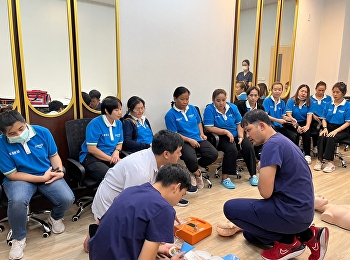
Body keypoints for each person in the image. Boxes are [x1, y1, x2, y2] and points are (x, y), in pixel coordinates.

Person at [224, 109, 329, 260]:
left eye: (248, 130)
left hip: (292, 213)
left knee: (230, 208)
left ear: (261, 126)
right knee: (250, 235)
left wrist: (260, 171)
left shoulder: (271, 145)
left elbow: (265, 193)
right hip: (303, 212)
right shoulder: (283, 140)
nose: (247, 136)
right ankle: (309, 235)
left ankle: (288, 243)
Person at [83, 129, 188, 253]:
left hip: (121, 201)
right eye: (178, 152)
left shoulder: (156, 158)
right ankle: (96, 236)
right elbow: (132, 206)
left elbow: (156, 191)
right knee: (131, 239)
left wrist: (166, 210)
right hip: (111, 205)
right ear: (166, 154)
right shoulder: (141, 170)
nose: (180, 155)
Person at [0, 110, 75, 260]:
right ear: (4, 134)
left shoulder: (43, 132)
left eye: (21, 129)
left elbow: (53, 156)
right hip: (19, 179)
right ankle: (19, 238)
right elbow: (12, 174)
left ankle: (55, 218)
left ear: (25, 122)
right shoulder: (1, 143)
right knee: (17, 201)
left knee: (67, 198)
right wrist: (41, 178)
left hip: (46, 173)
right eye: (12, 133)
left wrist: (59, 171)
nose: (19, 134)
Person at [89, 163, 190, 260]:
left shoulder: (131, 190)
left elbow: (128, 234)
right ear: (176, 187)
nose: (180, 199)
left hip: (96, 254)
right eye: (183, 194)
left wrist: (158, 249)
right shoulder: (164, 209)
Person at [165, 86, 218, 190]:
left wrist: (201, 133)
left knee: (213, 154)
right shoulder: (170, 115)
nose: (185, 101)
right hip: (183, 141)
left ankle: (192, 171)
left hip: (197, 138)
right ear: (175, 98)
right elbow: (174, 134)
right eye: (182, 99)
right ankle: (198, 174)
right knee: (190, 158)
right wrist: (189, 140)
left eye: (187, 99)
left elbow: (198, 122)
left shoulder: (192, 108)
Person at [204, 88, 258, 189]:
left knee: (248, 146)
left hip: (236, 133)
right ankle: (225, 178)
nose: (221, 103)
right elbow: (209, 127)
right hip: (220, 136)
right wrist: (225, 132)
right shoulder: (210, 109)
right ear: (213, 100)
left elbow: (239, 123)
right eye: (218, 100)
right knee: (232, 149)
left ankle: (253, 175)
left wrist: (241, 136)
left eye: (223, 100)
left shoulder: (232, 107)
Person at [79, 96, 123, 183]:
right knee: (112, 178)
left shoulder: (118, 122)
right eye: (116, 110)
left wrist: (117, 151)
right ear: (106, 111)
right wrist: (112, 159)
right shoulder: (95, 123)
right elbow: (92, 149)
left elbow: (120, 142)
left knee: (127, 173)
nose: (120, 113)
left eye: (120, 109)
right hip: (92, 157)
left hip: (110, 156)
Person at [314, 82, 350, 173]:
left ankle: (331, 163)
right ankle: (320, 160)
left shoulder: (348, 106)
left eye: (337, 92)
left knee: (331, 137)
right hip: (329, 126)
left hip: (342, 129)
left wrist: (336, 131)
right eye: (333, 92)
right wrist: (325, 128)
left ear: (343, 93)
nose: (335, 94)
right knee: (322, 136)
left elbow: (347, 122)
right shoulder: (328, 104)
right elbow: (324, 119)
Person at [285, 84, 314, 164]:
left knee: (307, 133)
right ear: (298, 91)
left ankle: (307, 154)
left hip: (304, 121)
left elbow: (309, 115)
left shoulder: (310, 102)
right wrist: (297, 126)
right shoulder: (291, 101)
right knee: (295, 134)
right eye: (302, 91)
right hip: (293, 121)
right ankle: (295, 154)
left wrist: (307, 126)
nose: (303, 93)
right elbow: (289, 115)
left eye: (306, 92)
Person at [235, 86, 265, 160]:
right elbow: (240, 121)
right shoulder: (240, 105)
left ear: (258, 97)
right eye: (251, 95)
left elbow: (262, 120)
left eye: (255, 95)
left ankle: (261, 155)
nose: (253, 98)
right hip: (244, 130)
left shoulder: (260, 107)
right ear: (247, 96)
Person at [310, 81, 332, 155]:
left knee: (327, 129)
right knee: (316, 129)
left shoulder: (328, 98)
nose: (321, 92)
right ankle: (315, 146)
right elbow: (307, 109)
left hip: (324, 118)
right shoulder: (310, 98)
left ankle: (325, 148)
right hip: (314, 118)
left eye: (323, 90)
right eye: (319, 90)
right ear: (316, 89)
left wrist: (323, 118)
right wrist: (313, 115)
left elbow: (330, 109)